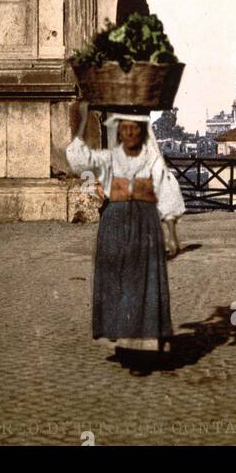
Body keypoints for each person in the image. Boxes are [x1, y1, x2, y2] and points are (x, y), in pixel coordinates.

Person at [65, 101, 186, 362]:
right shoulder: (109, 158)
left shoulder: (151, 158)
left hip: (145, 223)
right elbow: (78, 160)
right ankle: (121, 336)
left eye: (135, 129)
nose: (129, 133)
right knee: (116, 279)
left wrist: (172, 236)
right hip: (114, 223)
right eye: (124, 129)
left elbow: (166, 191)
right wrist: (83, 121)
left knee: (142, 279)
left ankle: (146, 342)